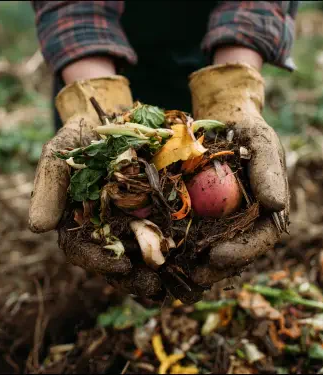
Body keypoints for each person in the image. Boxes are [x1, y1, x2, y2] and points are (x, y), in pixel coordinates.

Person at [29, 1, 296, 302]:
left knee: (201, 141)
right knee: (100, 241)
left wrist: (231, 87)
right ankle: (108, 300)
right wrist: (92, 87)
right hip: (94, 57)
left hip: (209, 46)